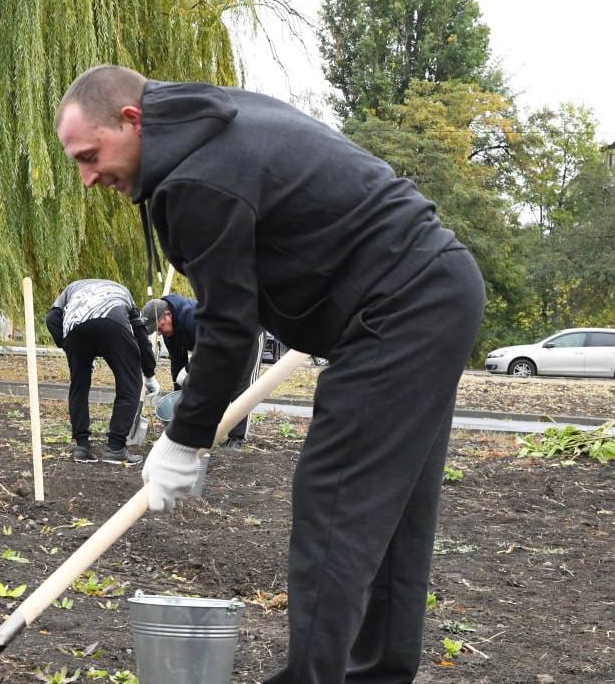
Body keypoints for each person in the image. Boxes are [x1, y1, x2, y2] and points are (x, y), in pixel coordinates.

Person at [55, 65, 485, 684]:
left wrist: (185, 439)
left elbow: (230, 330)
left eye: (91, 156)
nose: (88, 177)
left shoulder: (197, 179)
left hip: (401, 305)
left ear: (132, 120)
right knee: (391, 510)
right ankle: (378, 673)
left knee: (334, 500)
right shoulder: (210, 123)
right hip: (436, 286)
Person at [45, 278, 159, 465]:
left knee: (79, 385)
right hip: (112, 322)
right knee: (130, 383)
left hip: (75, 326)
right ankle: (115, 448)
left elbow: (51, 319)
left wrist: (69, 347)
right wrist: (149, 374)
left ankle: (81, 447)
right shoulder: (123, 291)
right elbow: (140, 334)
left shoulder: (71, 289)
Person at [140, 294, 264, 449]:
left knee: (241, 385)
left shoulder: (191, 316)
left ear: (168, 315)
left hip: (246, 331)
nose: (159, 333)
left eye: (159, 328)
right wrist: (179, 400)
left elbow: (209, 349)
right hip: (220, 344)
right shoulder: (169, 334)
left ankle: (237, 437)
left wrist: (188, 370)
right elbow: (177, 365)